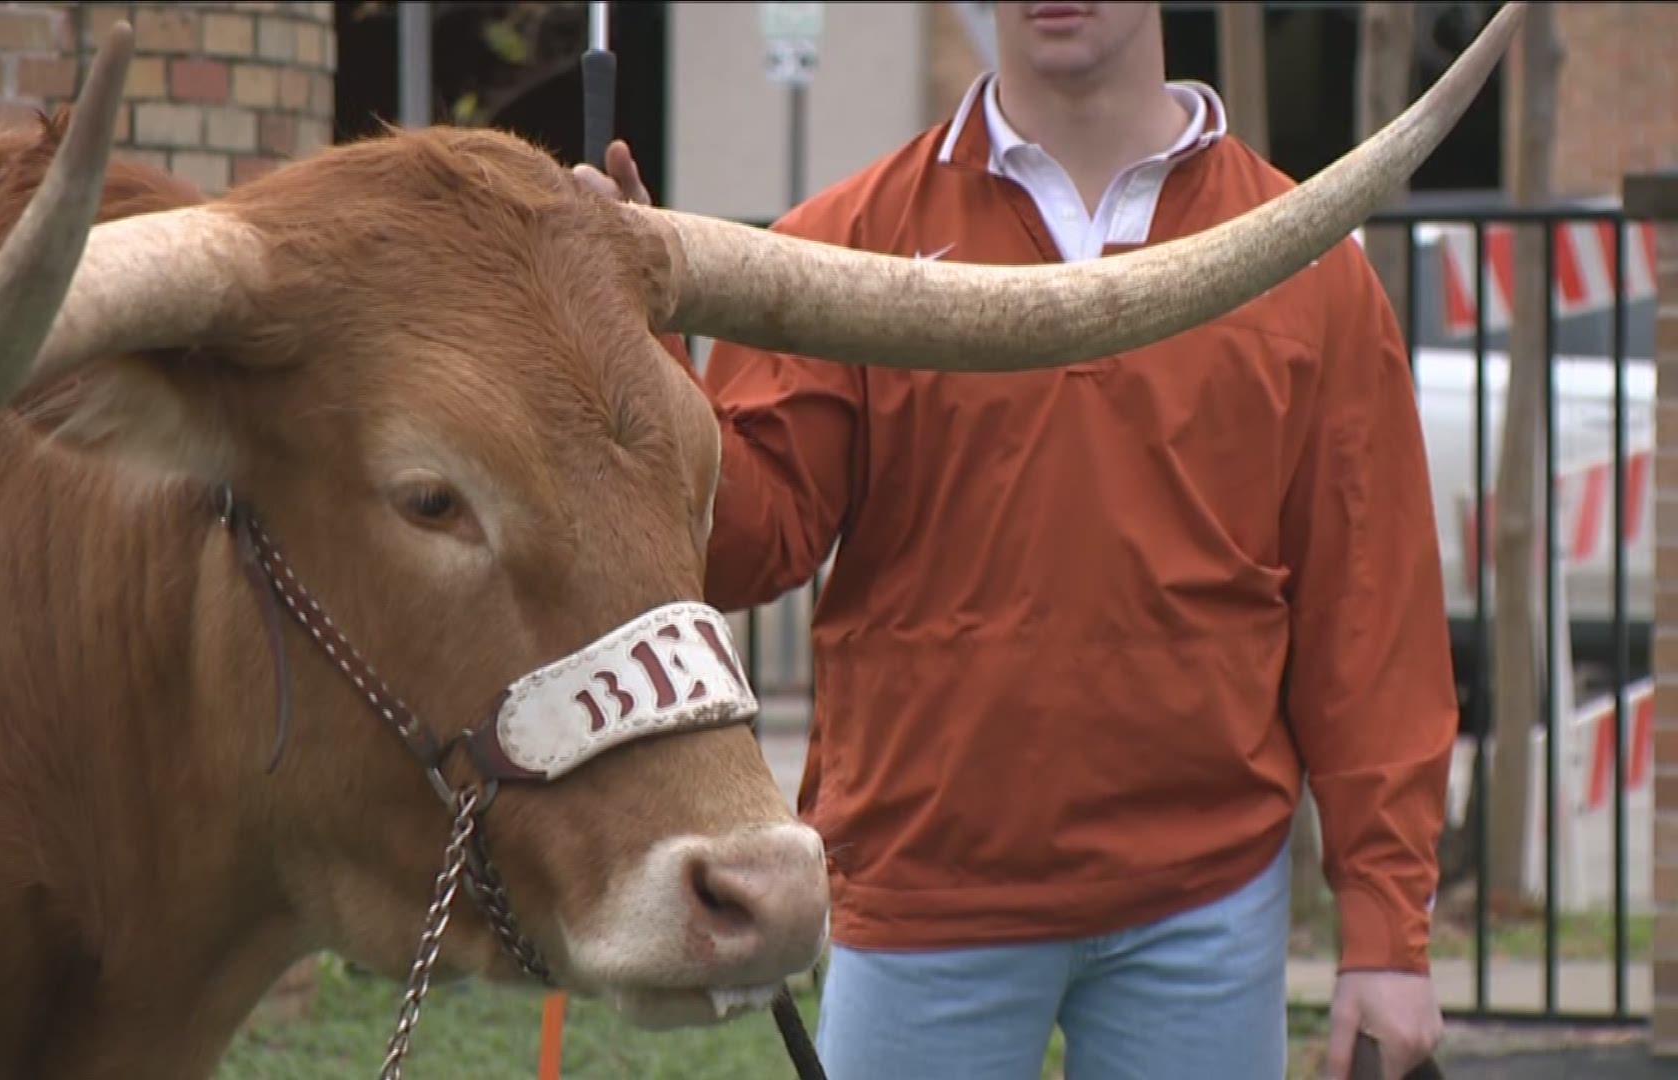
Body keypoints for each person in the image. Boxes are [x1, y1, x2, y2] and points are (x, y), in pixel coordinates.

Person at [576, 4, 1455, 1078]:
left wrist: (1387, 932)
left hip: (1205, 904)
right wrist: (636, 344)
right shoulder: (847, 242)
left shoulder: (1305, 263)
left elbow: (1371, 616)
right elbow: (746, 548)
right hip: (923, 896)